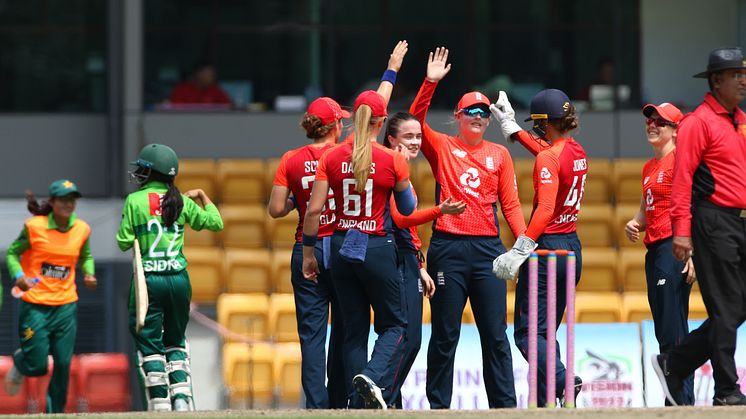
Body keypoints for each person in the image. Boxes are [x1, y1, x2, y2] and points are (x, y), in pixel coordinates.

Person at [268, 40, 408, 409]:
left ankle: (317, 407)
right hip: (347, 243)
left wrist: (302, 197)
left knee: (313, 335)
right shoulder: (345, 151)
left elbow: (276, 209)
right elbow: (372, 108)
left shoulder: (292, 159)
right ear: (335, 125)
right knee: (350, 329)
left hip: (309, 247)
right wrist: (391, 69)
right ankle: (348, 400)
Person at [409, 47, 526, 409]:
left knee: (495, 335)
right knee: (445, 334)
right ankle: (439, 408)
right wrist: (429, 82)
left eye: (483, 112)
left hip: (488, 251)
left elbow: (511, 205)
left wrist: (522, 247)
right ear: (458, 116)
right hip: (448, 248)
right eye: (470, 111)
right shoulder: (442, 147)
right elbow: (414, 120)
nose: (477, 115)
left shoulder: (500, 154)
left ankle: (505, 408)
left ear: (489, 120)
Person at [302, 90, 416, 409]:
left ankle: (356, 404)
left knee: (353, 331)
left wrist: (309, 254)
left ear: (352, 118)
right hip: (377, 244)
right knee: (395, 324)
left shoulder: (331, 157)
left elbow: (313, 211)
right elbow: (406, 209)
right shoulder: (392, 159)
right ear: (381, 122)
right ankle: (372, 376)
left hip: (340, 244)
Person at [652, 46, 746, 406]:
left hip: (739, 222)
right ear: (716, 80)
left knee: (736, 306)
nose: (742, 80)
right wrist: (682, 229)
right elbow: (683, 178)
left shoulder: (739, 120)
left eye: (743, 73)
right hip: (714, 221)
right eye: (734, 74)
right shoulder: (698, 121)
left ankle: (675, 362)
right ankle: (726, 389)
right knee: (725, 306)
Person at [491, 88, 587, 407]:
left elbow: (544, 209)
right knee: (546, 333)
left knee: (528, 334)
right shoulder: (577, 151)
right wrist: (513, 128)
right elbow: (549, 154)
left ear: (546, 123)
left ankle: (563, 380)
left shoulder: (548, 156)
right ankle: (551, 399)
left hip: (546, 249)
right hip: (572, 247)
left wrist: (520, 250)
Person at [116, 144, 224, 411]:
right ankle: (182, 399)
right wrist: (201, 195)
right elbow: (216, 222)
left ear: (151, 171)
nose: (139, 172)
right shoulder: (182, 201)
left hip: (149, 280)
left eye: (143, 168)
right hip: (178, 280)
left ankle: (161, 402)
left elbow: (123, 241)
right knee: (175, 339)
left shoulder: (135, 201)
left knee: (149, 340)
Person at [382, 111, 467, 407]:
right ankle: (382, 395)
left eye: (418, 136)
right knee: (407, 337)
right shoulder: (389, 168)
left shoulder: (399, 168)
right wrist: (440, 211)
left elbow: (409, 228)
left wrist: (420, 265)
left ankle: (388, 399)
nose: (416, 142)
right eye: (409, 136)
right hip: (392, 259)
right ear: (392, 139)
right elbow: (400, 219)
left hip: (407, 259)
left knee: (405, 338)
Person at [3, 180, 97, 413]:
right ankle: (21, 361)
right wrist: (18, 275)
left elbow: (86, 255)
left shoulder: (82, 229)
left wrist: (89, 273)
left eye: (72, 200)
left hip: (66, 306)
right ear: (53, 202)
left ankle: (55, 413)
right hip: (35, 306)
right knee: (38, 366)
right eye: (64, 200)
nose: (69, 204)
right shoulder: (34, 227)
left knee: (64, 364)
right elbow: (13, 253)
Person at [623, 102, 695, 406]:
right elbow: (646, 208)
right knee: (664, 328)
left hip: (674, 248)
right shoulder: (649, 167)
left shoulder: (683, 160)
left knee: (673, 328)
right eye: (650, 121)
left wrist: (692, 252)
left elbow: (695, 208)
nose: (652, 125)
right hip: (655, 250)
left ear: (676, 131)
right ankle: (677, 400)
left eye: (661, 122)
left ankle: (682, 401)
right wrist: (636, 222)